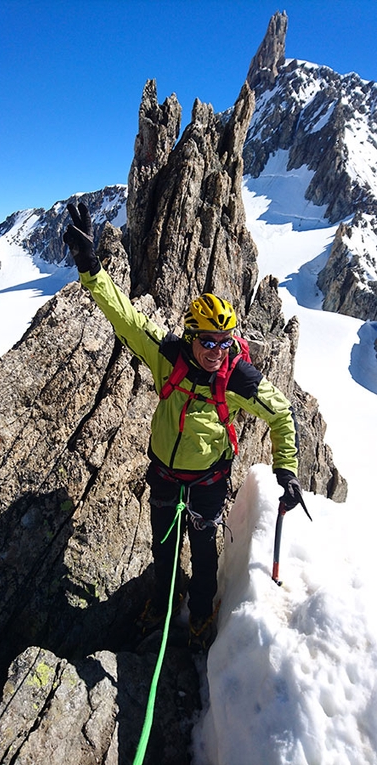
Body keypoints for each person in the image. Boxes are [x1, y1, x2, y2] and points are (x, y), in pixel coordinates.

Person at [63, 203, 304, 651]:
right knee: (164, 548)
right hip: (164, 474)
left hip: (210, 480)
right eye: (209, 340)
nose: (217, 349)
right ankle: (163, 600)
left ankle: (200, 612)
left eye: (225, 341)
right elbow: (125, 317)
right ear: (191, 336)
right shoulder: (167, 355)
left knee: (205, 551)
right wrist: (90, 266)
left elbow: (282, 414)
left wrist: (286, 470)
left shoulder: (236, 378)